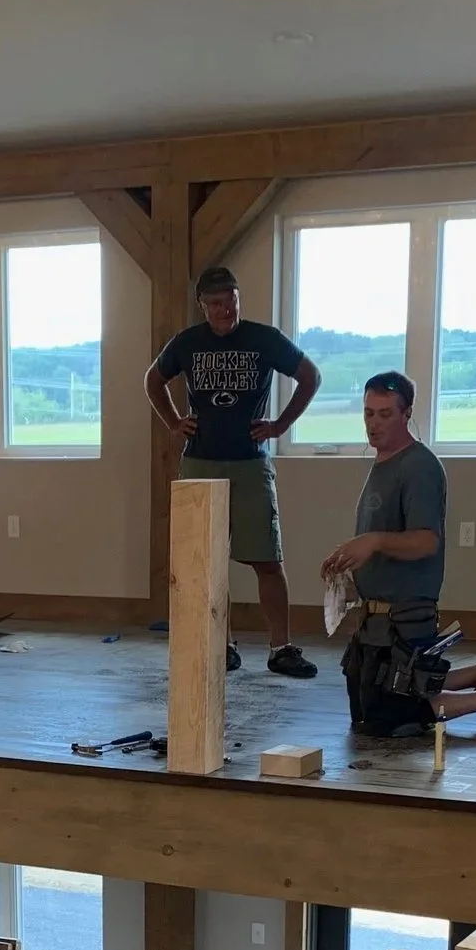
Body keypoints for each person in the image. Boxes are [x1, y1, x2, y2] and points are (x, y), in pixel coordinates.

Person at [320, 371, 476, 738]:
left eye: (385, 414)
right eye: (369, 413)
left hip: (405, 617)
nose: (373, 423)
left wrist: (372, 541)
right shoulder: (382, 464)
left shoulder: (419, 467)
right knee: (366, 711)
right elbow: (380, 538)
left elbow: (426, 541)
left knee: (397, 716)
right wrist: (348, 561)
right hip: (375, 621)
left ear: (407, 413)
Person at [145, 266, 324, 677]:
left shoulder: (264, 339)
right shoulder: (187, 343)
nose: (224, 310)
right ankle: (219, 644)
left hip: (250, 461)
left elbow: (309, 376)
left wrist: (279, 425)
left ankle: (282, 647)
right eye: (215, 304)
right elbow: (153, 381)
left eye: (230, 301)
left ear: (238, 298)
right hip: (200, 461)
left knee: (266, 558)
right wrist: (174, 422)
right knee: (205, 560)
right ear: (202, 306)